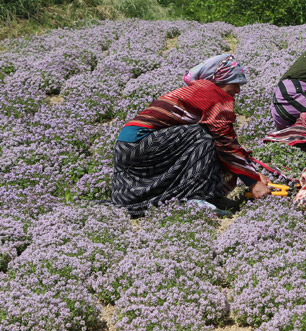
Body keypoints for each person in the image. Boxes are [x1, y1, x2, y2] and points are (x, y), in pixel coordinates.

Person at [111, 53, 270, 215]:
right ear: (219, 81)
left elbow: (229, 141)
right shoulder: (212, 94)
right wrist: (252, 182)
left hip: (129, 146)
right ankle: (194, 198)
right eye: (234, 84)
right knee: (205, 136)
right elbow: (226, 143)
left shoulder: (202, 90)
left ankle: (205, 197)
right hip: (140, 143)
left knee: (209, 137)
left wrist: (253, 173)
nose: (238, 90)